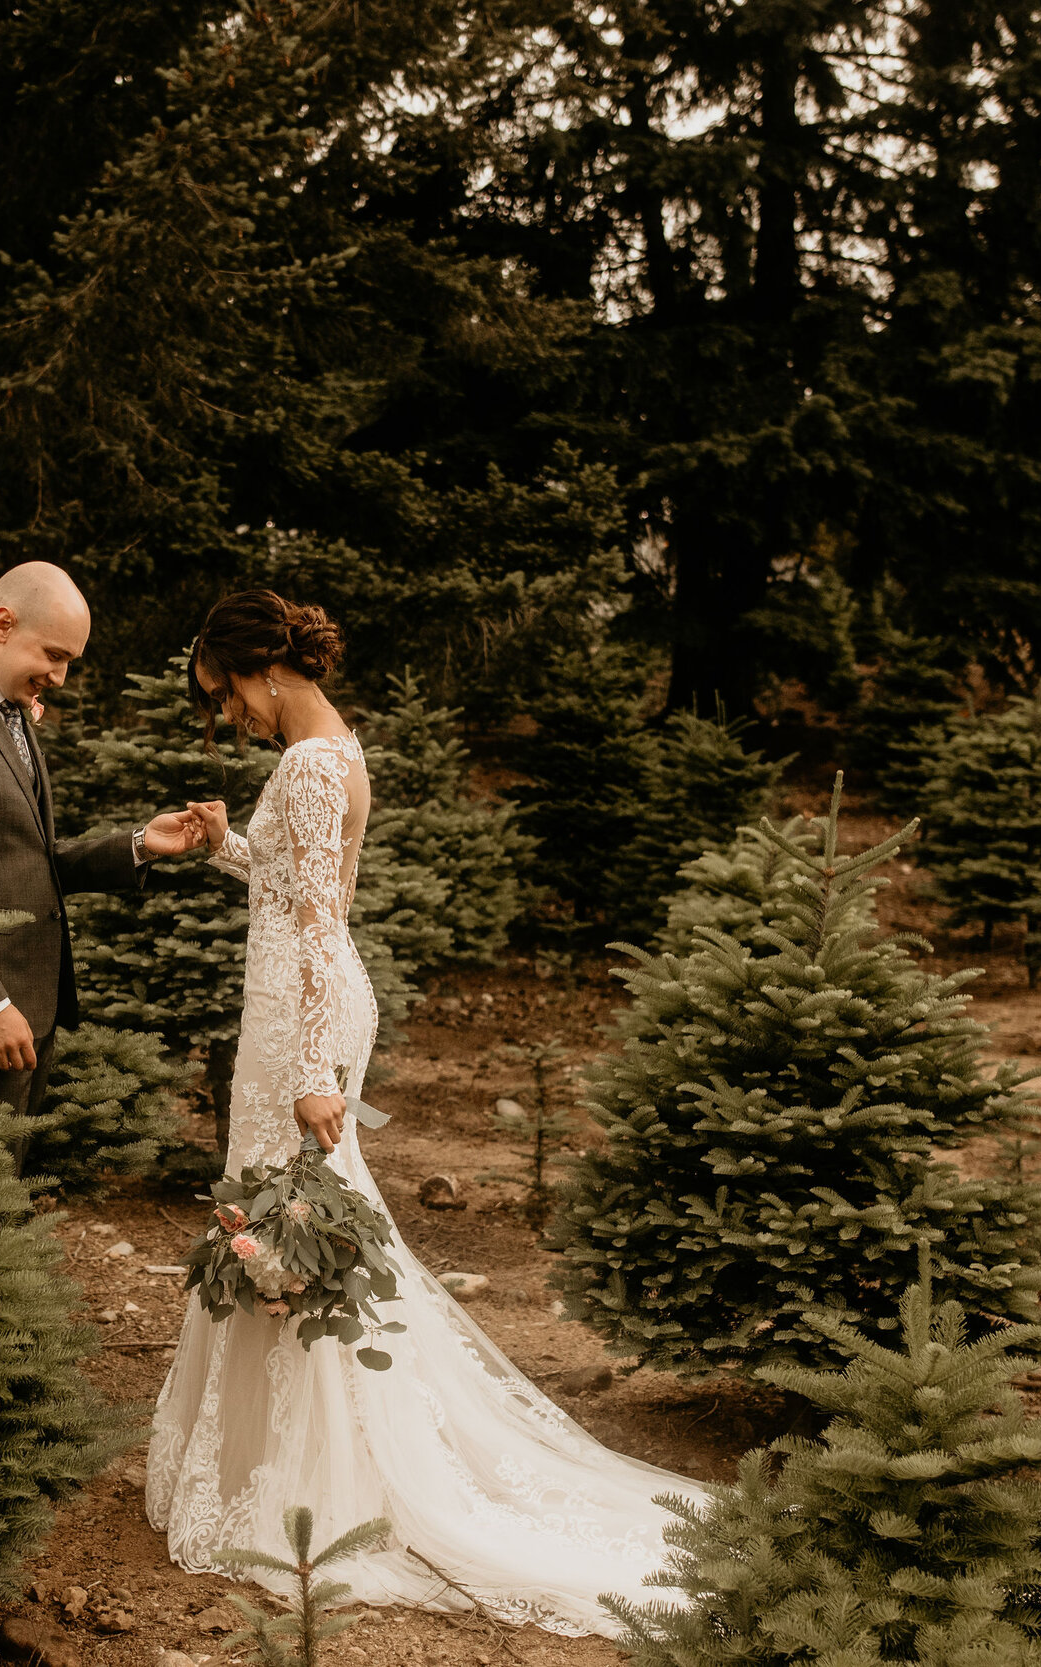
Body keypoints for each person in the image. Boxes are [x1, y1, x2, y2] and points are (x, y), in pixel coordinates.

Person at [144, 588, 695, 1639]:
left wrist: (311, 1067)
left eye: (228, 697)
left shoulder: (307, 763)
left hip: (299, 1022)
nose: (233, 721)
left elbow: (316, 924)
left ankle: (318, 1487)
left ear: (262, 667)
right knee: (291, 1230)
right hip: (304, 1007)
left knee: (290, 1231)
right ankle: (288, 1467)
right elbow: (301, 892)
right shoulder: (335, 750)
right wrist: (224, 845)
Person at [0, 561, 205, 1118]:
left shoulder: (9, 709)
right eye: (54, 656)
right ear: (3, 623)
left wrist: (139, 844)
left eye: (69, 662)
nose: (60, 678)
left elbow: (24, 856)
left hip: (26, 1017)